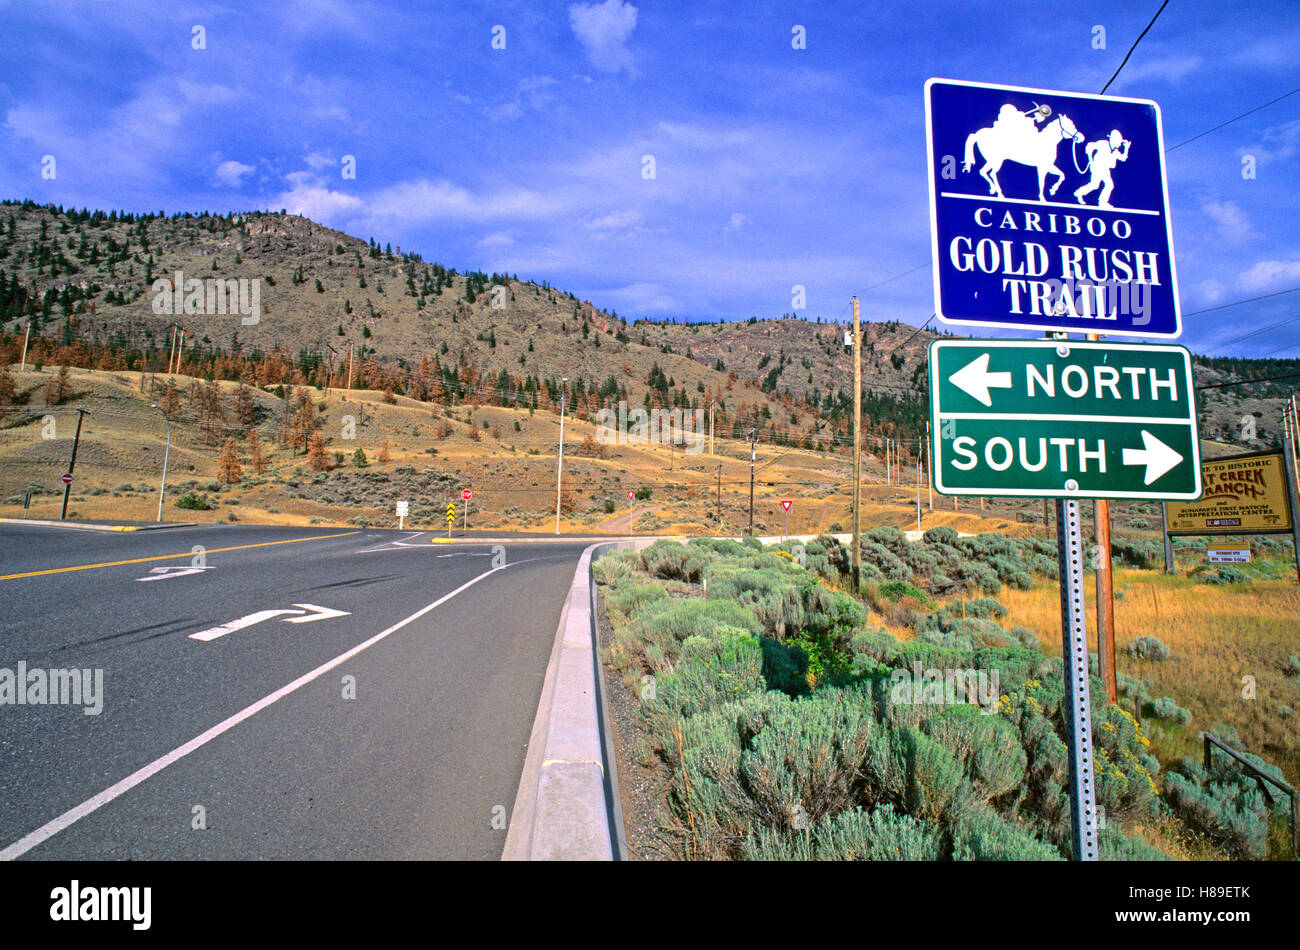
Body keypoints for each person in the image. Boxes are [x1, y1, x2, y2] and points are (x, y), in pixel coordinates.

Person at [1074, 129, 1130, 208]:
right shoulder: (1103, 144)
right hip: (1097, 168)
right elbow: (1089, 146)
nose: (1118, 144)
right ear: (1112, 139)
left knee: (1101, 185)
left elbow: (1123, 158)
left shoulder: (1115, 151)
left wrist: (1126, 148)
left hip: (1105, 170)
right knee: (1102, 185)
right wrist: (1090, 159)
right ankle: (1098, 200)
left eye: (1119, 142)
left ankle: (1081, 194)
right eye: (1117, 141)